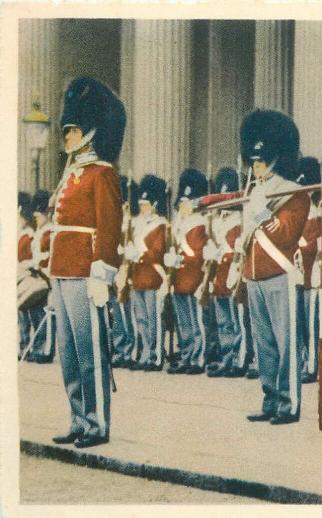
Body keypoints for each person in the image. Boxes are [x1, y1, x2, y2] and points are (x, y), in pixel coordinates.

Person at [49, 76, 125, 448]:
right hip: (62, 271)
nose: (67, 137)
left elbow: (109, 226)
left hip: (85, 272)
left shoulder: (103, 174)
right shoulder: (71, 176)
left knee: (90, 350)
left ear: (91, 133)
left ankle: (97, 423)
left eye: (73, 130)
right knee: (69, 353)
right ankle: (78, 419)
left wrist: (102, 272)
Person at [239, 110, 310, 425]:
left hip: (280, 273)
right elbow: (247, 241)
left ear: (276, 160)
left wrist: (261, 215)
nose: (256, 167)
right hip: (255, 274)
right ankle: (270, 399)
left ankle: (289, 404)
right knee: (264, 344)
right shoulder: (255, 192)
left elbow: (286, 235)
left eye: (262, 161)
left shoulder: (293, 193)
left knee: (286, 344)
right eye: (253, 162)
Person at [165, 168, 210, 375]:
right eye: (182, 202)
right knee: (183, 322)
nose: (184, 206)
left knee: (196, 321)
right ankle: (187, 354)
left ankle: (198, 358)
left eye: (188, 202)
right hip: (179, 278)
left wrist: (180, 257)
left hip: (193, 278)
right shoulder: (178, 225)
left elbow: (199, 254)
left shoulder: (200, 223)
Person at [205, 167, 248, 378]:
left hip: (233, 270)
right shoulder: (217, 220)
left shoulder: (240, 218)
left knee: (236, 320)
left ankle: (239, 358)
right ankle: (226, 357)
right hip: (220, 272)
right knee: (223, 321)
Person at [126, 174, 168, 371]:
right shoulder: (136, 224)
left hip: (152, 277)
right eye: (141, 204)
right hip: (137, 277)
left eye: (146, 204)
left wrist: (139, 253)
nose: (143, 208)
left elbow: (157, 251)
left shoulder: (160, 224)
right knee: (141, 318)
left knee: (153, 318)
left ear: (154, 204)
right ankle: (144, 353)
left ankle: (155, 355)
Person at [295, 157, 322, 383]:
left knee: (312, 327)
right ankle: (307, 361)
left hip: (313, 276)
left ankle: (312, 366)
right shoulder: (304, 209)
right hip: (301, 276)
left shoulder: (314, 210)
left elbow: (312, 245)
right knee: (303, 325)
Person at [26, 190, 56, 363]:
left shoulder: (50, 231)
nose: (37, 218)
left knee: (47, 315)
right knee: (36, 315)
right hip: (37, 275)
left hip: (46, 276)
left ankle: (46, 350)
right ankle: (37, 346)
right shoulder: (40, 232)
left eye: (40, 215)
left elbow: (51, 255)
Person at [111, 175, 137, 368]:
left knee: (128, 314)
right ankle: (120, 347)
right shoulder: (116, 221)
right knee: (118, 314)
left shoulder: (132, 223)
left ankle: (129, 349)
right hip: (115, 271)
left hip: (129, 271)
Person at [17, 191, 36, 359]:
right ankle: (22, 345)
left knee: (27, 315)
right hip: (18, 278)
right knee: (20, 316)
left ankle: (27, 346)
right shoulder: (20, 233)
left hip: (27, 278)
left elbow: (31, 258)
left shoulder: (29, 234)